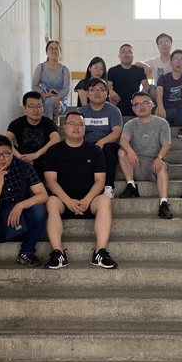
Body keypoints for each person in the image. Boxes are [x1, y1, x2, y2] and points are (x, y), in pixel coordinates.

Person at [0, 135, 48, 299]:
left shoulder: (24, 168)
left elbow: (43, 195)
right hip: (1, 228)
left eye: (6, 153)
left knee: (39, 210)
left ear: (12, 153)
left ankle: (27, 252)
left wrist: (21, 205)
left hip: (24, 225)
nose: (1, 158)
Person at [43, 111, 118, 269]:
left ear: (85, 128)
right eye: (72, 124)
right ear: (64, 127)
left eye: (80, 124)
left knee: (105, 200)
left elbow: (100, 181)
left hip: (89, 201)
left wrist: (86, 200)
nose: (76, 127)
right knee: (51, 201)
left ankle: (99, 252)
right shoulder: (54, 151)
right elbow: (50, 181)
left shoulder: (95, 151)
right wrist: (68, 201)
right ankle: (58, 253)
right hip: (63, 201)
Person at [118, 91, 173, 219]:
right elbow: (123, 140)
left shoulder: (162, 123)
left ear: (152, 105)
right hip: (135, 163)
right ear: (133, 108)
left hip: (154, 164)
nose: (141, 107)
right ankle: (131, 185)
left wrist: (159, 158)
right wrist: (130, 151)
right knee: (121, 152)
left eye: (145, 103)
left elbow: (167, 144)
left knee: (162, 166)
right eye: (137, 104)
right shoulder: (130, 124)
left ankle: (164, 203)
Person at [78, 77, 123, 199]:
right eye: (93, 89)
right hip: (87, 144)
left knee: (107, 148)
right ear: (87, 93)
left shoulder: (114, 111)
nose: (97, 93)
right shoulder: (80, 111)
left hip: (108, 144)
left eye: (101, 89)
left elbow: (117, 132)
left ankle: (109, 187)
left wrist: (102, 142)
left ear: (107, 93)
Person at [5, 91, 61, 180]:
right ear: (24, 108)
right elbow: (6, 139)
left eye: (39, 106)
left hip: (44, 162)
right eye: (31, 106)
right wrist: (19, 156)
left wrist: (36, 154)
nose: (36, 110)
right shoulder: (17, 123)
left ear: (43, 108)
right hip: (23, 161)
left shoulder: (48, 123)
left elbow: (56, 139)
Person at [31, 40, 71, 122]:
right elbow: (34, 86)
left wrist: (58, 98)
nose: (54, 51)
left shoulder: (65, 70)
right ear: (46, 52)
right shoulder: (41, 67)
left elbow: (67, 89)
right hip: (43, 97)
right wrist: (45, 94)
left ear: (60, 52)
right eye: (51, 48)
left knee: (51, 101)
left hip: (59, 100)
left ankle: (47, 123)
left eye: (56, 48)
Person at [107, 43, 150, 116]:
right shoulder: (112, 70)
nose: (126, 54)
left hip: (134, 104)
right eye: (123, 52)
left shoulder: (139, 70)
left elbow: (146, 86)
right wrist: (111, 91)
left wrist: (140, 98)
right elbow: (108, 86)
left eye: (129, 52)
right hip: (117, 102)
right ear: (119, 55)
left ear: (133, 56)